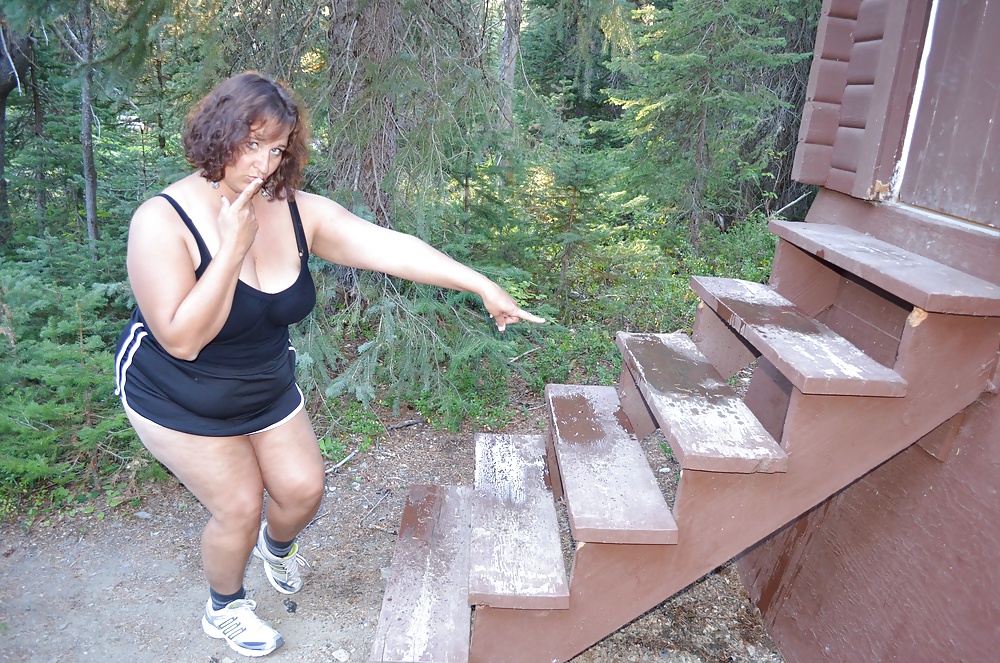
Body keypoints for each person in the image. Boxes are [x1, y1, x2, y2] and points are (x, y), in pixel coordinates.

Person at [113, 71, 545, 658]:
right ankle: (225, 607)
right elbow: (182, 339)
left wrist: (480, 284)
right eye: (250, 143)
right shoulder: (161, 221)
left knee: (302, 490)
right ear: (217, 134)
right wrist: (231, 249)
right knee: (238, 507)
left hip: (265, 384)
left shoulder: (298, 212)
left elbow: (389, 247)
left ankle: (279, 547)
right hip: (175, 393)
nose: (263, 164)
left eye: (277, 149)